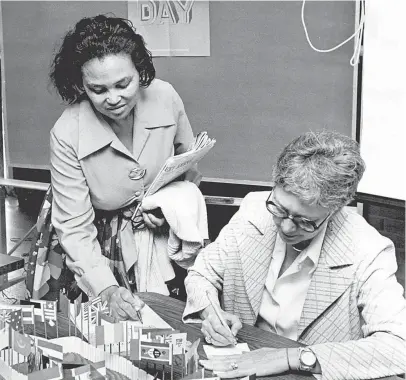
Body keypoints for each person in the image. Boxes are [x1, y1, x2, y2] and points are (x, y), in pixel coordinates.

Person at [183, 131, 406, 380]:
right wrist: (213, 313)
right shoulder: (253, 209)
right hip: (238, 367)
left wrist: (289, 358)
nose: (287, 228)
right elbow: (201, 274)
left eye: (306, 222)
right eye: (279, 209)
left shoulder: (368, 249)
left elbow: (398, 346)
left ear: (335, 211)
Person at [26, 15, 202, 321]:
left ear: (140, 70)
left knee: (170, 328)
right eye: (98, 89)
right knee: (109, 336)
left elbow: (187, 164)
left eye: (124, 84)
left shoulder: (166, 97)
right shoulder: (67, 132)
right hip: (95, 244)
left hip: (162, 234)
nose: (114, 98)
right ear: (80, 84)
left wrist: (168, 204)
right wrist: (106, 289)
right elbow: (75, 229)